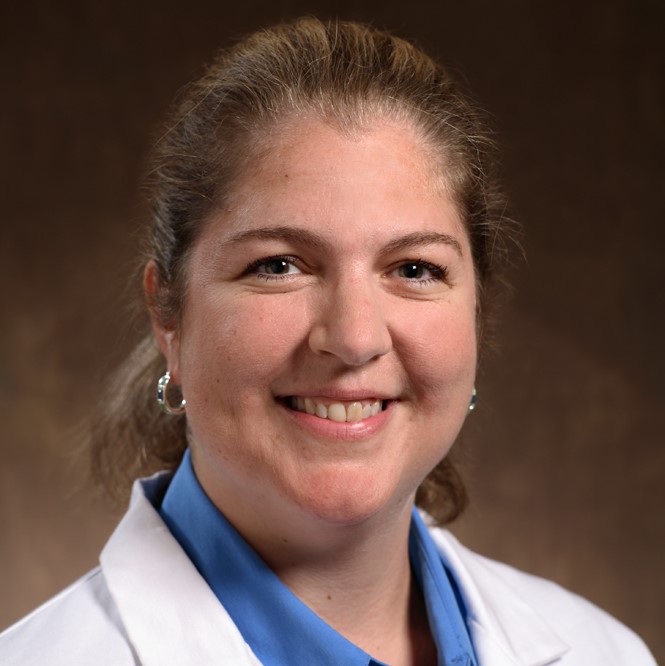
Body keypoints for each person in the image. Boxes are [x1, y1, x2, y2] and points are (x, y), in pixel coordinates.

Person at [0, 17, 656, 666]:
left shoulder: (609, 653)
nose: (353, 338)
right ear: (168, 315)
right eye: (279, 265)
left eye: (413, 270)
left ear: (475, 315)